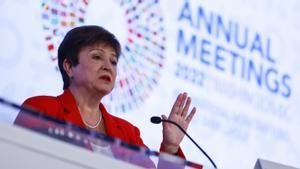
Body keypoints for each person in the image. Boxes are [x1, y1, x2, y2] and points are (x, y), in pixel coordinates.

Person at [14, 25, 196, 161]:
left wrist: (171, 148)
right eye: (97, 56)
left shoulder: (128, 134)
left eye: (113, 61)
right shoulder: (42, 108)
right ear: (69, 66)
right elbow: (16, 160)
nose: (107, 66)